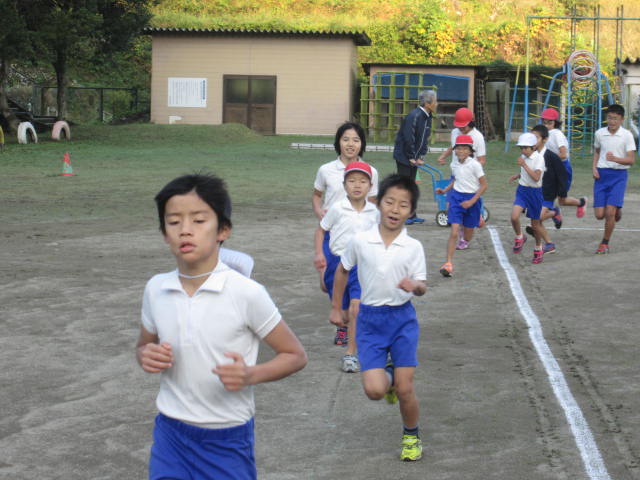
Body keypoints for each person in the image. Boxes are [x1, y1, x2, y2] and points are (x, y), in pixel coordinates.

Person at [136, 173, 307, 480]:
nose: (185, 229)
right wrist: (145, 354)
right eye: (173, 221)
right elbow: (143, 345)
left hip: (226, 438)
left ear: (223, 230)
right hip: (170, 434)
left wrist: (251, 374)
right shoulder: (156, 288)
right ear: (164, 233)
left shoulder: (245, 293)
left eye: (199, 220)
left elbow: (295, 355)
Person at [329, 174, 427, 461]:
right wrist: (336, 307)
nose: (395, 209)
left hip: (402, 320)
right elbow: (343, 270)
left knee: (406, 388)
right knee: (374, 391)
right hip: (369, 321)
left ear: (411, 211)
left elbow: (422, 286)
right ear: (378, 203)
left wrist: (415, 286)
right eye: (390, 202)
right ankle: (389, 376)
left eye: (403, 205)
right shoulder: (361, 241)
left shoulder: (413, 247)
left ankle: (411, 436)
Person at [312, 122, 379, 345]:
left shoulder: (371, 171)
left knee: (356, 285)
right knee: (329, 284)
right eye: (346, 139)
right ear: (338, 142)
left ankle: (346, 327)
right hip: (333, 233)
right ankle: (328, 284)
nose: (351, 144)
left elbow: (373, 203)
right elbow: (316, 196)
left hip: (359, 237)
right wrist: (319, 211)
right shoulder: (326, 170)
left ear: (362, 144)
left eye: (356, 140)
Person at [435, 135, 487, 277]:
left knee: (468, 233)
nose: (461, 151)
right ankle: (448, 263)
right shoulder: (454, 165)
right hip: (456, 199)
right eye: (458, 148)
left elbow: (484, 185)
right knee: (454, 232)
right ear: (454, 150)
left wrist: (472, 201)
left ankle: (468, 235)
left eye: (465, 148)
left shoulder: (475, 165)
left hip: (472, 199)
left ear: (470, 151)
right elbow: (456, 180)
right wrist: (445, 190)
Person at [592, 104, 636, 254]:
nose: (612, 121)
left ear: (622, 119)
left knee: (609, 212)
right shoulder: (599, 133)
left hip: (619, 176)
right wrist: (594, 167)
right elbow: (597, 152)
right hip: (602, 175)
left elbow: (631, 160)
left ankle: (604, 243)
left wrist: (615, 159)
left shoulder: (627, 135)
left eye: (615, 119)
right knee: (599, 215)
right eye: (609, 118)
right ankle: (617, 210)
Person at [436, 107, 487, 228]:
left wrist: (470, 170)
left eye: (463, 127)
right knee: (452, 199)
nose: (461, 129)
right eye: (459, 126)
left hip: (470, 176)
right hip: (456, 172)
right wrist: (443, 156)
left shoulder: (478, 137)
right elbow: (453, 147)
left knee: (468, 200)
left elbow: (482, 159)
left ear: (471, 123)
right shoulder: (455, 132)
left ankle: (476, 216)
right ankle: (456, 221)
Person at [393, 89, 437, 225]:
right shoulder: (414, 116)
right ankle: (401, 215)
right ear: (427, 103)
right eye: (435, 101)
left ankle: (411, 214)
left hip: (414, 157)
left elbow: (424, 139)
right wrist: (411, 156)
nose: (437, 104)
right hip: (404, 156)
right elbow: (409, 137)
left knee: (411, 186)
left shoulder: (427, 117)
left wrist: (421, 156)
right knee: (404, 187)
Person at [540, 108, 588, 228]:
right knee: (546, 195)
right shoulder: (543, 135)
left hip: (562, 169)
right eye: (544, 122)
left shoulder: (557, 134)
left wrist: (549, 158)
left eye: (549, 122)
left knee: (562, 200)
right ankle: (554, 212)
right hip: (550, 169)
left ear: (555, 123)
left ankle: (581, 202)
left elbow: (563, 154)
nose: (546, 125)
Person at [509, 132, 547, 264]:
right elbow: (524, 172)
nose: (523, 150)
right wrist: (517, 175)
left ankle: (538, 247)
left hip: (535, 193)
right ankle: (520, 236)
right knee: (514, 217)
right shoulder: (523, 157)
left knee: (535, 225)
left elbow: (536, 177)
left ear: (533, 147)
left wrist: (524, 165)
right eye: (521, 148)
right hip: (522, 190)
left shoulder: (539, 159)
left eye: (526, 148)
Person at [526, 125, 561, 254]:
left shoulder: (551, 156)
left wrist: (560, 192)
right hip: (535, 193)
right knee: (536, 222)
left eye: (536, 137)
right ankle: (549, 244)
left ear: (544, 139)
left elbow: (560, 174)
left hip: (548, 193)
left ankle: (553, 213)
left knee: (537, 219)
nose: (533, 140)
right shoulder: (530, 155)